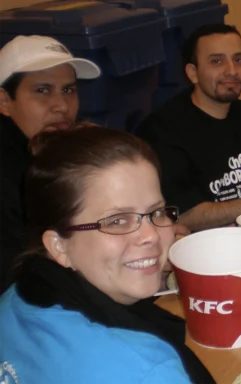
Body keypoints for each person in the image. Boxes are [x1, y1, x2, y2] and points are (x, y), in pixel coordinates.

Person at [0, 126, 214, 383]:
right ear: (59, 246)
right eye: (117, 221)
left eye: (156, 212)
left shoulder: (15, 298)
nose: (152, 235)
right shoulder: (148, 370)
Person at [137, 24, 241, 232]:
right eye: (217, 61)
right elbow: (183, 215)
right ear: (193, 73)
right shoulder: (162, 130)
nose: (232, 71)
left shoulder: (240, 112)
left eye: (238, 60)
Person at [0, 35, 100, 291]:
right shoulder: (9, 174)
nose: (62, 106)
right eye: (42, 90)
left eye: (68, 90)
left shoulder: (57, 148)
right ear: (4, 101)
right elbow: (18, 278)